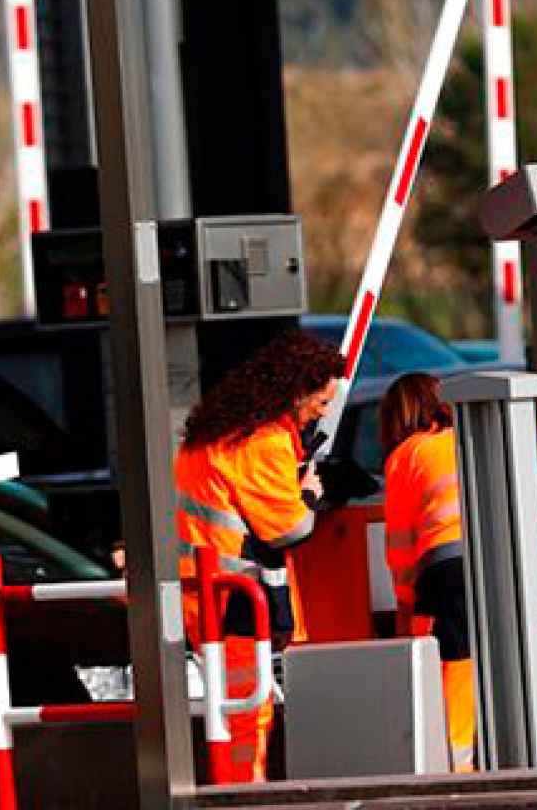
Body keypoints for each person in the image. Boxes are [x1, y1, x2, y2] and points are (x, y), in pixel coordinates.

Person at [174, 330, 344, 782]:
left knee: (231, 707)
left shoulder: (217, 432)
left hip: (208, 594)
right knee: (248, 712)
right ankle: (245, 794)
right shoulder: (262, 441)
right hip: (236, 600)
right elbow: (289, 529)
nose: (321, 413)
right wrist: (307, 493)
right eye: (321, 401)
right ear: (294, 392)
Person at [378, 372, 475, 772]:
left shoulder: (407, 456)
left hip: (447, 569)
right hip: (514, 562)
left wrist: (406, 606)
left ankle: (459, 774)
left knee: (452, 672)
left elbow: (401, 546)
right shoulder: (470, 435)